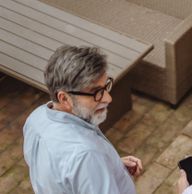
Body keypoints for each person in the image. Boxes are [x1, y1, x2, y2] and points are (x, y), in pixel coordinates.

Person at [23, 45, 143, 194]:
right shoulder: (87, 156)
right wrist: (94, 167)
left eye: (105, 86)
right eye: (95, 92)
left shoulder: (36, 118)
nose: (108, 98)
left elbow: (55, 170)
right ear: (65, 98)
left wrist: (111, 166)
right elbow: (82, 159)